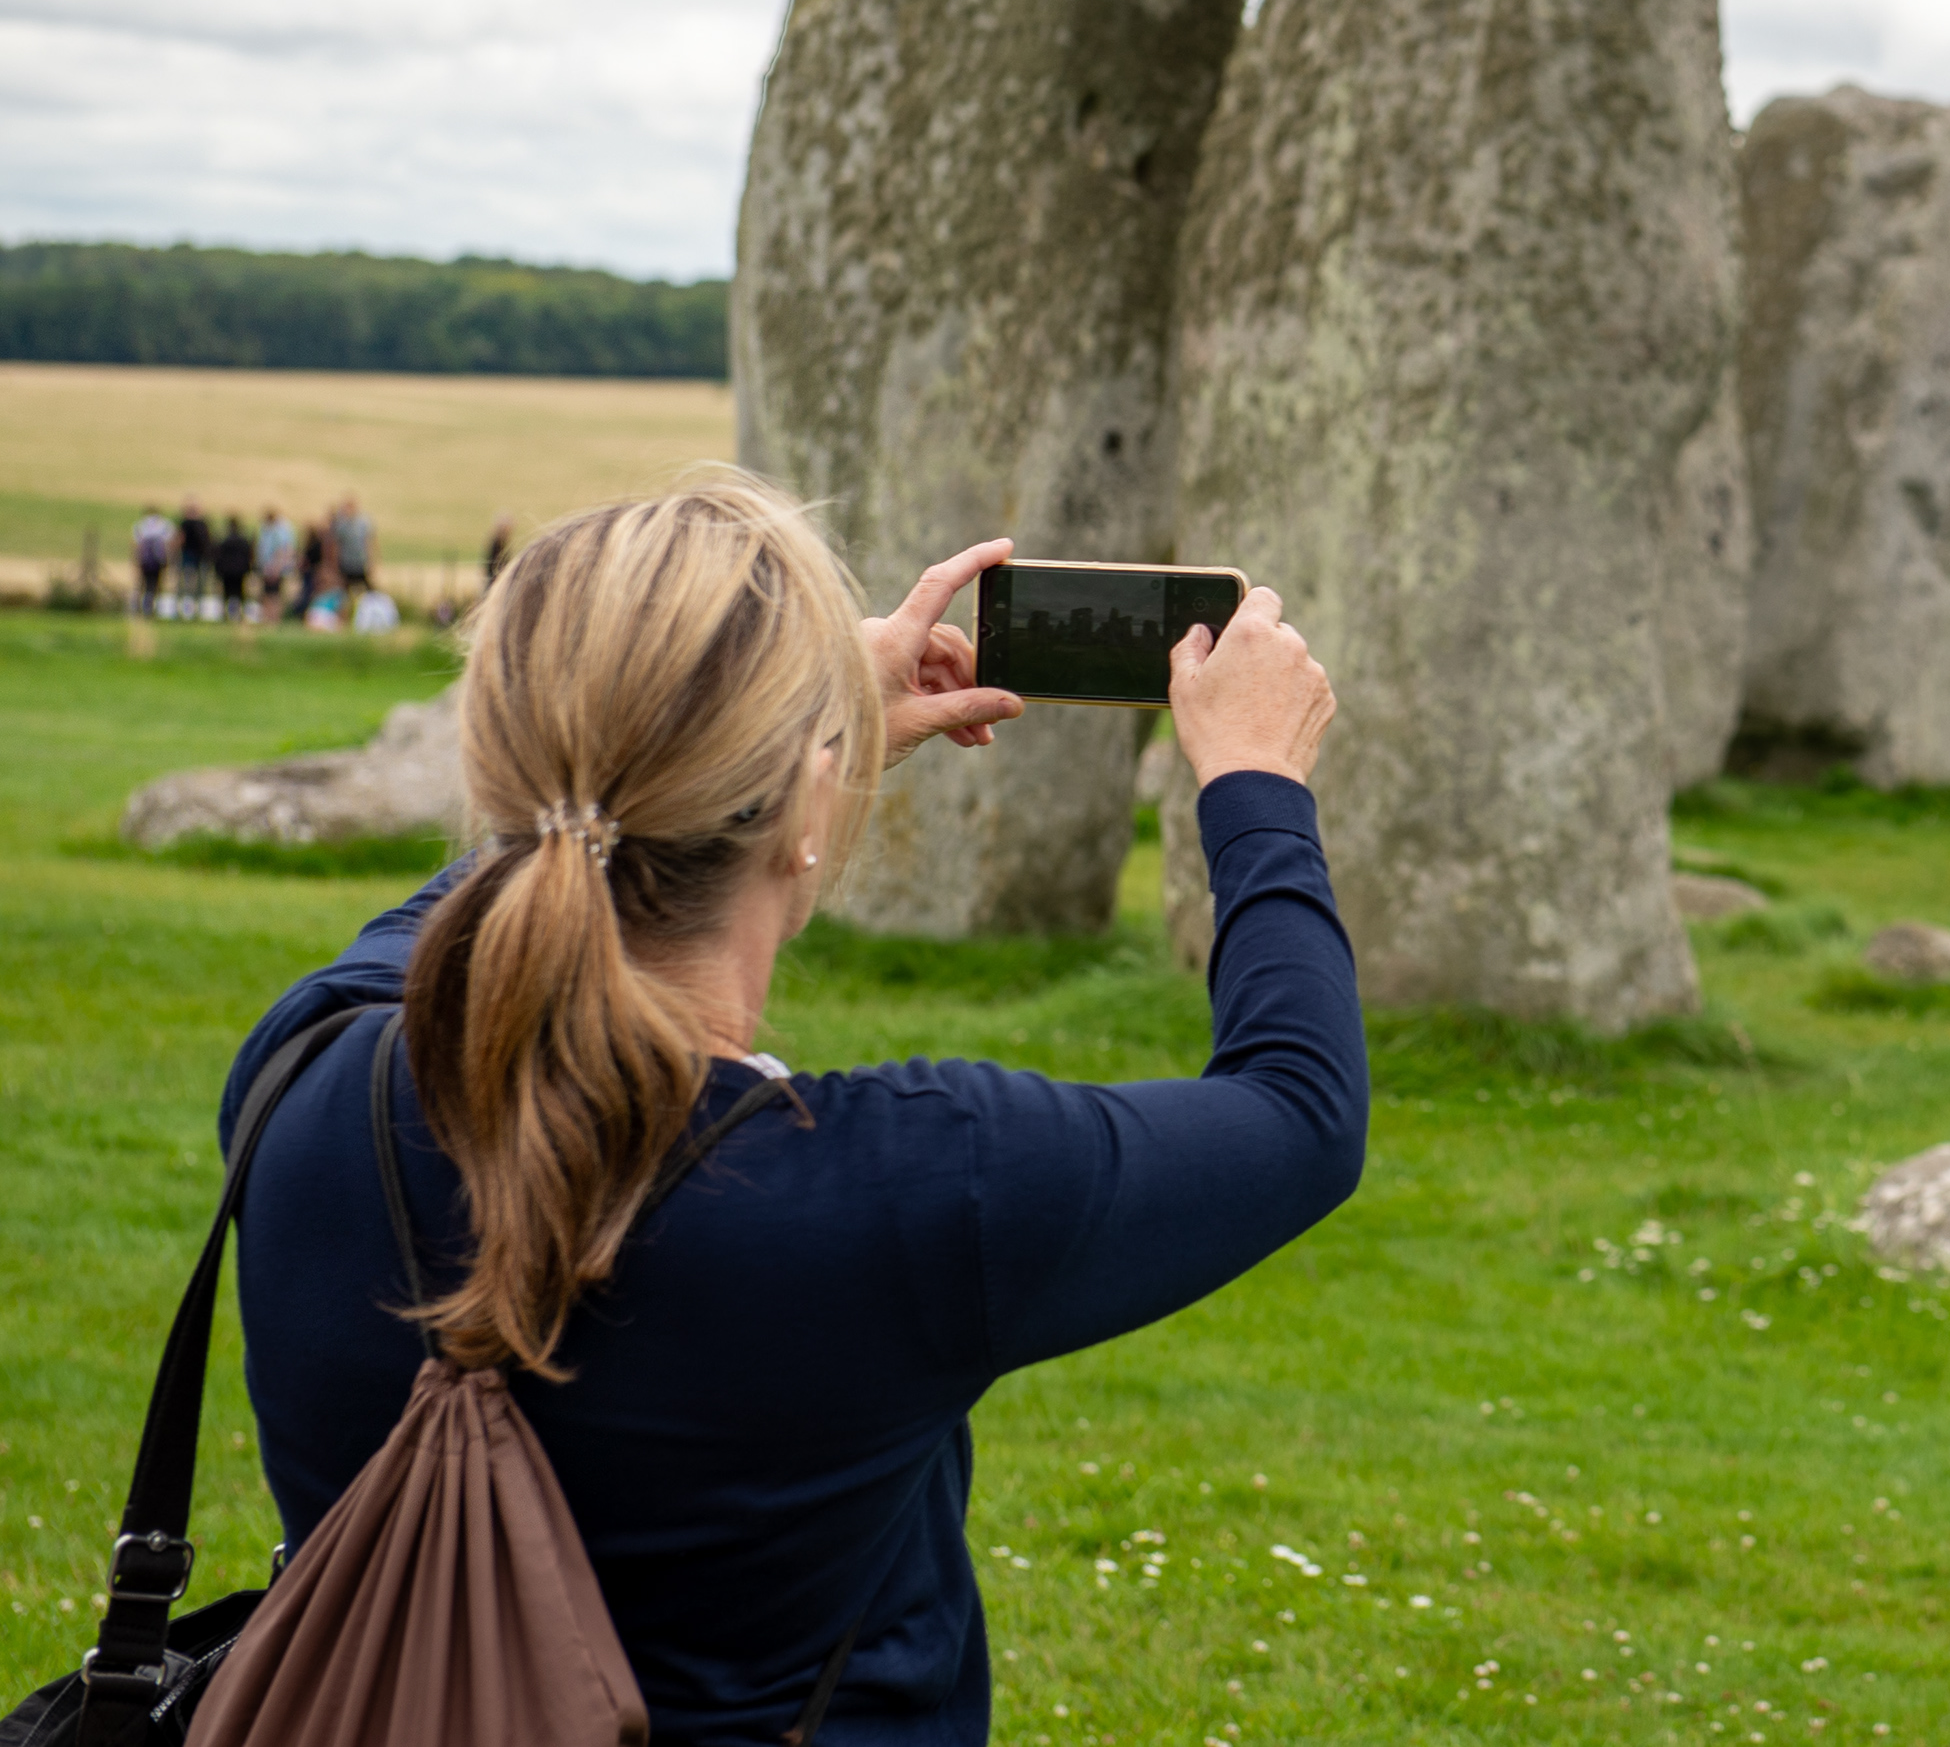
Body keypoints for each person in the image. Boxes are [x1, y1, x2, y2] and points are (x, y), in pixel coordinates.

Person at [220, 475, 1359, 1745]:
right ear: (810, 805)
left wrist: (779, 740)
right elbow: (1299, 1108)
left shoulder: (300, 1080)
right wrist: (1256, 782)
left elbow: (543, 843)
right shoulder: (916, 1191)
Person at [174, 496, 213, 619]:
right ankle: (198, 610)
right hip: (201, 558)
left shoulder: (185, 523)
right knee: (199, 586)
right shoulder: (203, 523)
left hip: (187, 556)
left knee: (186, 585)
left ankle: (183, 610)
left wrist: (175, 553)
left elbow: (180, 539)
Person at [255, 506, 299, 612]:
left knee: (274, 594)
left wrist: (276, 568)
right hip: (268, 567)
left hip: (274, 568)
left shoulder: (280, 530)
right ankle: (269, 613)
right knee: (268, 592)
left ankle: (274, 614)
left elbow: (282, 550)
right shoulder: (267, 528)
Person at [212, 514, 256, 620]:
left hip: (227, 571)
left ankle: (225, 614)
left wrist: (218, 569)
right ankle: (240, 613)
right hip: (240, 571)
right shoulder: (243, 540)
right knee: (240, 592)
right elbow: (249, 555)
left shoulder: (224, 540)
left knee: (227, 592)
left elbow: (218, 555)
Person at [131, 506, 171, 617]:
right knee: (154, 584)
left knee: (142, 584)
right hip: (157, 560)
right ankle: (151, 608)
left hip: (145, 560)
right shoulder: (163, 525)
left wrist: (135, 558)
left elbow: (136, 543)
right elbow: (168, 543)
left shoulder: (141, 525)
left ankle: (139, 607)